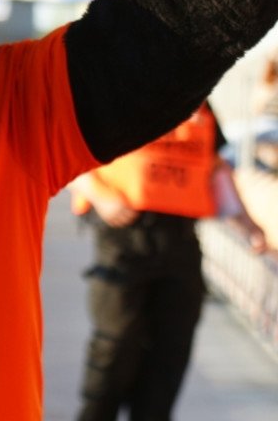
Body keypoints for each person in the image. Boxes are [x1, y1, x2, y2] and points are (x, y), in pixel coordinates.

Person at [69, 101, 267, 421]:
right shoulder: (117, 88)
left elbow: (214, 167)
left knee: (171, 350)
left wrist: (247, 224)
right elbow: (66, 152)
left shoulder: (201, 100)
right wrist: (99, 197)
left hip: (181, 239)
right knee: (115, 345)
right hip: (123, 239)